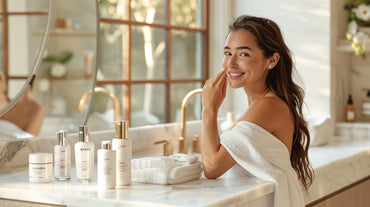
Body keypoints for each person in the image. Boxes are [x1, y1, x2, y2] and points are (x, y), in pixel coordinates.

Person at [201, 15, 313, 206]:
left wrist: (209, 109)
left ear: (272, 60)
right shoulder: (262, 104)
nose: (230, 63)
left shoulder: (268, 106)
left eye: (243, 54)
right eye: (228, 53)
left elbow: (212, 167)